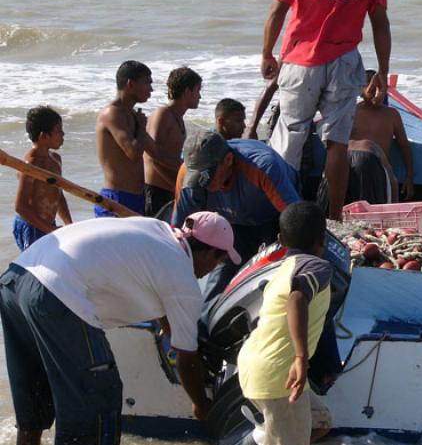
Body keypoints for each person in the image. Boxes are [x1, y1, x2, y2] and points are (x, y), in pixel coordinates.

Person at [0, 211, 239, 445]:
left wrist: (183, 339)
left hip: (17, 280)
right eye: (217, 263)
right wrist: (201, 404)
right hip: (56, 292)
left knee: (35, 386)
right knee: (101, 395)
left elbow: (167, 317)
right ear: (210, 252)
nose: (210, 271)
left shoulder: (157, 231)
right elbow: (187, 359)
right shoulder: (183, 279)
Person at [261, 0, 391, 221]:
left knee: (290, 137)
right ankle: (334, 218)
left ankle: (283, 216)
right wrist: (383, 71)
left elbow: (277, 11)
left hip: (300, 60)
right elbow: (380, 24)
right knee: (336, 143)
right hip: (344, 61)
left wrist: (267, 53)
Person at [237, 201, 332, 445]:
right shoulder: (316, 266)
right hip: (278, 375)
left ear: (280, 240)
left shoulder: (281, 270)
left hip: (254, 366)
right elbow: (297, 299)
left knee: (320, 422)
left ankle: (267, 443)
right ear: (322, 240)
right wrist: (301, 357)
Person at [172, 131, 301, 308]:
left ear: (228, 160)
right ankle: (205, 327)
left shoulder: (263, 166)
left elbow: (298, 222)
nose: (202, 184)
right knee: (220, 275)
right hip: (230, 223)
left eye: (205, 177)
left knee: (277, 275)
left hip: (274, 217)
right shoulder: (189, 176)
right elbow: (177, 238)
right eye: (197, 179)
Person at [95, 60, 157, 217]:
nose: (151, 89)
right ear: (130, 84)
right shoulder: (112, 113)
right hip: (117, 198)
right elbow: (133, 152)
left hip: (137, 198)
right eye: (147, 83)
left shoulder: (131, 114)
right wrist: (142, 127)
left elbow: (154, 151)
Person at [144, 67, 203, 217]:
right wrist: (176, 183)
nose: (200, 96)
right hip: (155, 192)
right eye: (197, 90)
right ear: (187, 91)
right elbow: (151, 155)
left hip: (170, 190)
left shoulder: (178, 118)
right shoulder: (163, 114)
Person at [13, 106, 72, 250]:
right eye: (58, 130)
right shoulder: (31, 165)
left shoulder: (55, 159)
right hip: (31, 225)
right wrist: (50, 230)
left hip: (47, 225)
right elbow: (20, 207)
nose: (63, 134)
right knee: (36, 267)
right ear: (43, 136)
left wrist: (69, 224)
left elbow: (58, 195)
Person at [350, 68, 414, 199]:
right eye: (372, 91)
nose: (377, 95)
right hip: (352, 165)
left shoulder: (392, 115)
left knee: (394, 185)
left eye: (381, 91)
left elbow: (404, 145)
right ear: (361, 91)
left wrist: (409, 176)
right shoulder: (353, 112)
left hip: (379, 166)